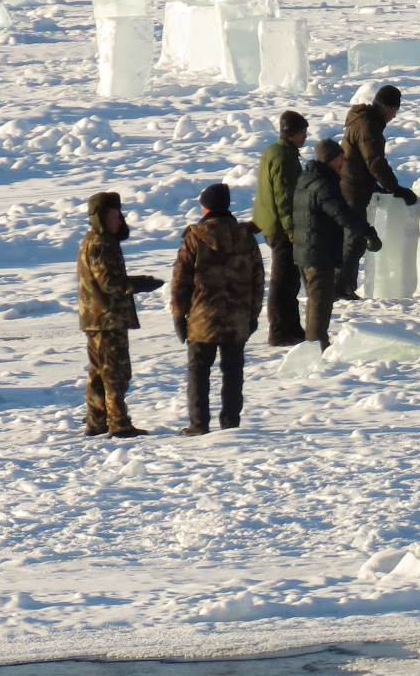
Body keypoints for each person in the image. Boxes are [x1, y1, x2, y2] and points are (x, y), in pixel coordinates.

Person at [169, 182, 265, 435]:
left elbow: (181, 280)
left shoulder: (194, 237)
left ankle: (199, 424)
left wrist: (179, 314)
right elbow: (258, 279)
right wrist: (252, 314)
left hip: (202, 318)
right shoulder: (246, 237)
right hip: (237, 317)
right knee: (233, 371)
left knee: (199, 371)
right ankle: (231, 422)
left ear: (205, 207)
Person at [75, 190, 161, 438]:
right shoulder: (101, 244)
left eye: (119, 216)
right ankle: (118, 423)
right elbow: (109, 283)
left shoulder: (95, 240)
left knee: (100, 371)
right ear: (100, 217)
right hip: (107, 319)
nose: (119, 221)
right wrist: (138, 284)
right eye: (114, 216)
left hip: (97, 318)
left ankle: (98, 419)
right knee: (115, 372)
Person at [293, 139, 379, 348]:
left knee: (317, 301)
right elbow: (342, 214)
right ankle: (317, 346)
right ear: (331, 159)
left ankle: (316, 342)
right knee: (320, 304)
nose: (344, 161)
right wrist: (367, 231)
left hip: (305, 252)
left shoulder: (306, 180)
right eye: (341, 157)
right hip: (318, 253)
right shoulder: (324, 185)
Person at [338, 83, 414, 299]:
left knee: (353, 237)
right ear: (387, 108)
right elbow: (374, 161)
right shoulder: (368, 125)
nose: (393, 117)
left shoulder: (363, 121)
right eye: (394, 111)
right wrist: (395, 188)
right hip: (353, 187)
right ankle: (342, 288)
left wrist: (379, 185)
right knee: (354, 238)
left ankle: (343, 286)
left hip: (352, 184)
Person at [253, 111, 306, 346]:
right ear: (293, 134)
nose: (305, 137)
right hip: (281, 228)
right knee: (283, 282)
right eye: (303, 133)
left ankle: (292, 327)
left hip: (271, 223)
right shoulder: (284, 156)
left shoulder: (274, 151)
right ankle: (279, 331)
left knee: (289, 280)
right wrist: (292, 230)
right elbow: (284, 197)